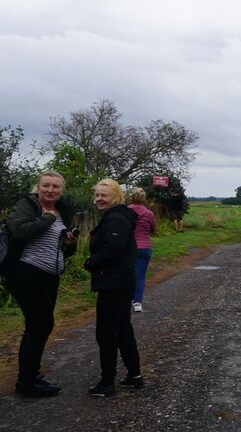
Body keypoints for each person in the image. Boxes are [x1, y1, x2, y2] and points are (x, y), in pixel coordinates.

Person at [2, 170, 78, 397]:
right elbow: (20, 231)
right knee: (39, 324)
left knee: (42, 325)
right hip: (27, 272)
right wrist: (47, 218)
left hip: (50, 275)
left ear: (61, 190)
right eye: (46, 185)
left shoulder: (61, 211)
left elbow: (65, 251)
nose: (50, 190)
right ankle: (27, 381)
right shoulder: (28, 206)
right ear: (38, 186)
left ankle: (31, 376)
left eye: (56, 187)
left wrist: (69, 243)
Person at [84, 178, 143, 396]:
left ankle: (107, 382)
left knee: (107, 332)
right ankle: (134, 375)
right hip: (120, 282)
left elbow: (113, 248)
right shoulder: (118, 216)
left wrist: (91, 262)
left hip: (114, 284)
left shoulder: (116, 218)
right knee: (122, 328)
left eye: (104, 195)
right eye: (97, 195)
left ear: (116, 197)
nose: (99, 199)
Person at [128, 187, 157, 313]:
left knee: (127, 275)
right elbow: (154, 229)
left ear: (131, 198)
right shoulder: (148, 213)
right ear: (144, 199)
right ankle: (137, 302)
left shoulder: (126, 211)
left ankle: (127, 298)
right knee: (140, 276)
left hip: (129, 247)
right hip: (145, 247)